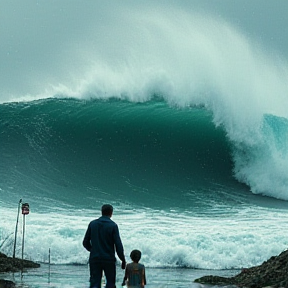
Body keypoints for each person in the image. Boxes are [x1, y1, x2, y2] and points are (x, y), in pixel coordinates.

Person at [83, 204, 126, 288]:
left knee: (95, 283)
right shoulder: (113, 225)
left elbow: (85, 242)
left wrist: (92, 250)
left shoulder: (92, 224)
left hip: (95, 258)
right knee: (110, 283)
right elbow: (118, 245)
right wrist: (123, 260)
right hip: (109, 258)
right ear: (111, 213)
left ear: (101, 212)